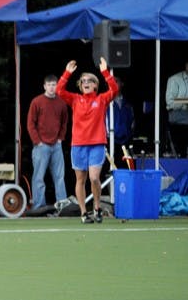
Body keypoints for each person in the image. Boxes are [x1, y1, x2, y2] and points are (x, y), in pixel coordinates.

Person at [56, 57, 119, 223]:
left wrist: (105, 71)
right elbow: (59, 91)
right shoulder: (75, 99)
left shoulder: (101, 99)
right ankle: (84, 213)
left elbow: (114, 90)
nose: (86, 82)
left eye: (90, 80)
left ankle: (97, 207)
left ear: (95, 85)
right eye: (83, 80)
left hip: (97, 144)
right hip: (78, 145)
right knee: (80, 179)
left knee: (94, 178)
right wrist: (67, 73)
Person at [26, 74, 69, 210]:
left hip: (56, 145)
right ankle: (39, 206)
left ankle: (62, 205)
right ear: (44, 86)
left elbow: (64, 122)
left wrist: (61, 138)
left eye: (54, 85)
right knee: (39, 177)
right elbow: (30, 123)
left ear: (57, 86)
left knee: (59, 177)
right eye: (49, 85)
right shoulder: (37, 102)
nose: (52, 87)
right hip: (41, 146)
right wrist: (37, 141)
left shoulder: (61, 103)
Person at [106, 77, 135, 168]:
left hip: (125, 143)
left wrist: (128, 136)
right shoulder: (105, 103)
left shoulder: (128, 105)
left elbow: (132, 123)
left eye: (116, 81)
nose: (113, 84)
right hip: (109, 142)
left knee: (125, 170)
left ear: (122, 83)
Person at [165, 61, 188, 157]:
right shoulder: (175, 79)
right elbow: (170, 102)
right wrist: (186, 101)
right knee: (181, 152)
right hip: (179, 120)